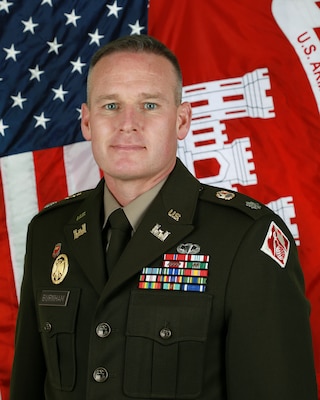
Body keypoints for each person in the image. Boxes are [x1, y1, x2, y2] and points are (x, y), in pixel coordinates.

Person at [10, 34, 317, 400]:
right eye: (110, 106)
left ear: (182, 120)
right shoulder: (48, 232)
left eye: (150, 105)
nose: (128, 123)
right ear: (87, 122)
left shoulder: (245, 238)